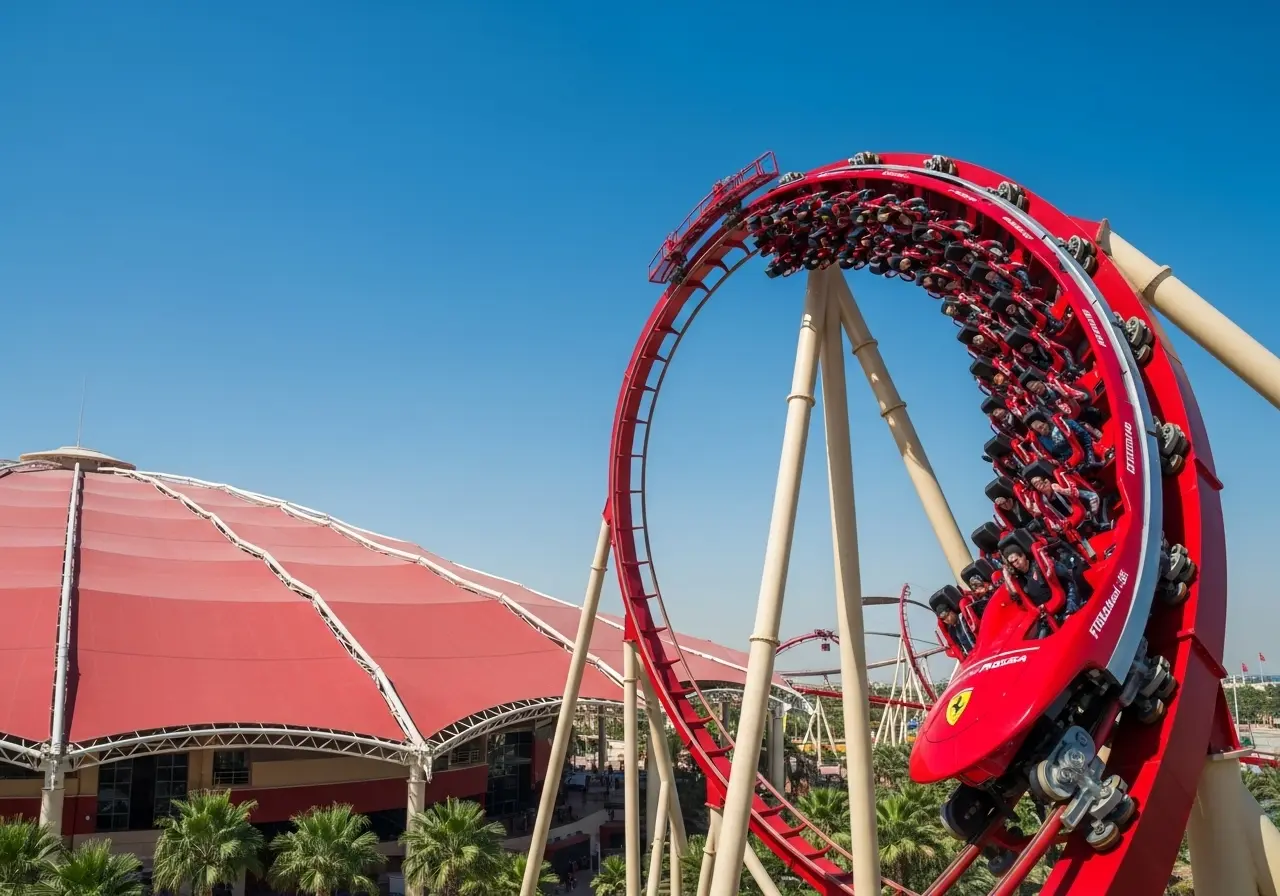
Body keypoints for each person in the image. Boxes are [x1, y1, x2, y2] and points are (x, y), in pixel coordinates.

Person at [1001, 536, 1082, 616]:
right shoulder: (1020, 580)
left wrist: (1071, 601)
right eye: (1012, 563)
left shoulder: (1041, 564)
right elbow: (1017, 597)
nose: (1016, 564)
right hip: (1048, 614)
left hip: (1066, 602)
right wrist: (1007, 578)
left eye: (1016, 560)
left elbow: (1067, 576)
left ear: (1023, 555)